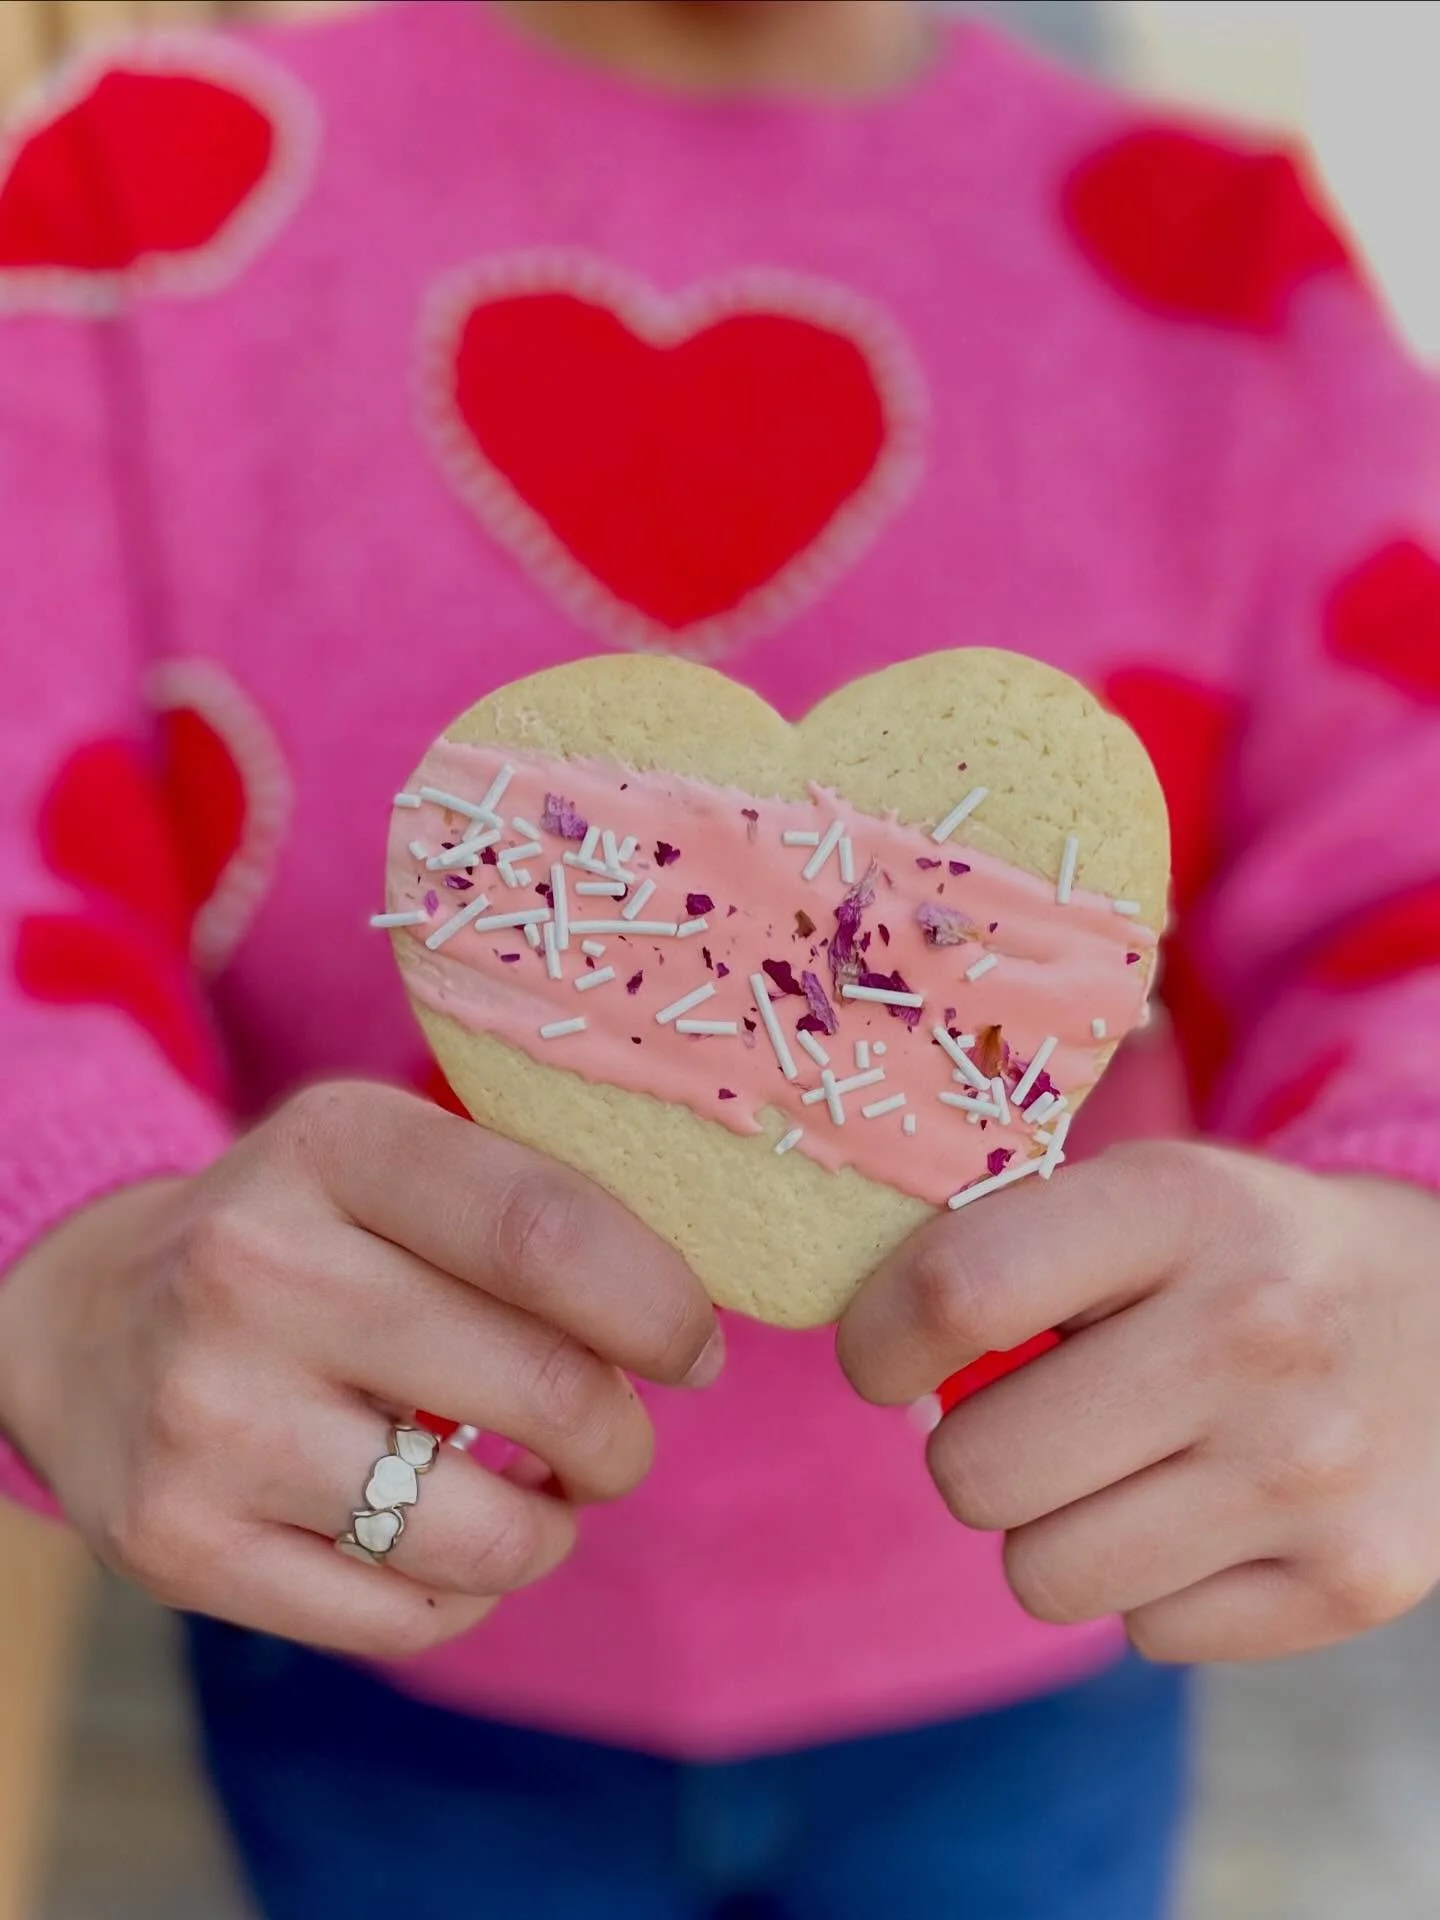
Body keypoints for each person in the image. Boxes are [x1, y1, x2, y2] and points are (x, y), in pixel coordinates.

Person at [1, 3, 1438, 1915]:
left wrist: (1412, 1231)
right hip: (371, 1642)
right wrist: (71, 1260)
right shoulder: (137, 190)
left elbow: (1402, 869)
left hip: (1039, 1656)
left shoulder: (1223, 264)